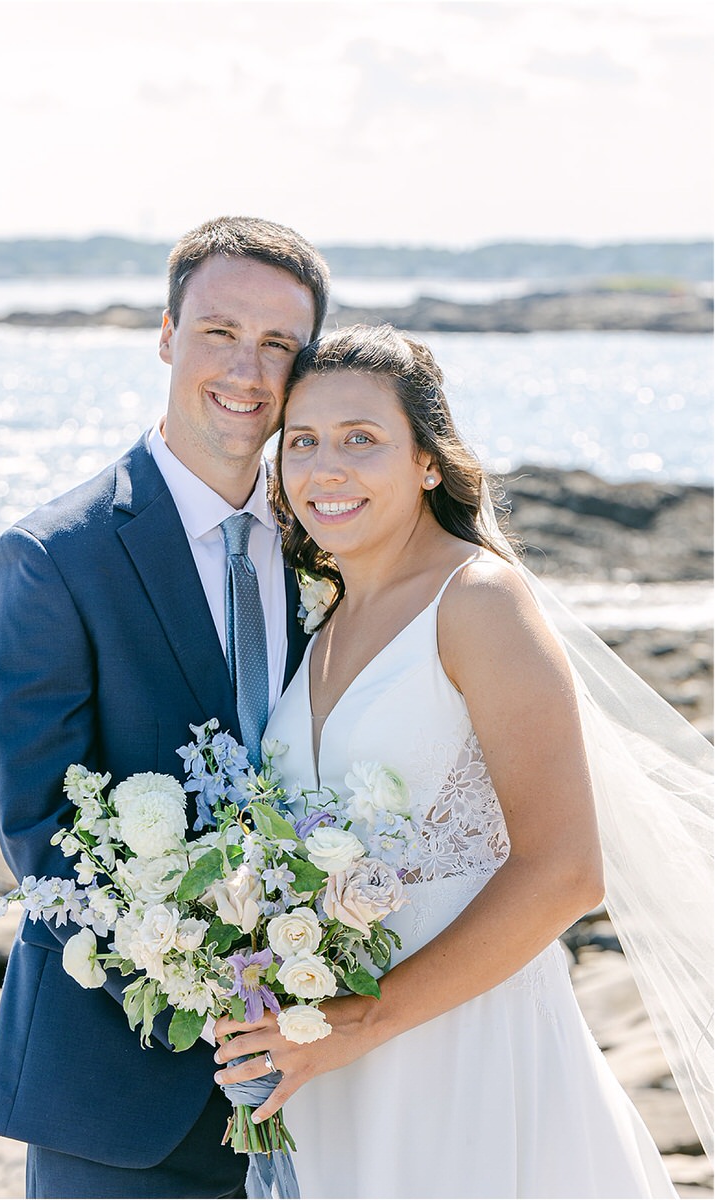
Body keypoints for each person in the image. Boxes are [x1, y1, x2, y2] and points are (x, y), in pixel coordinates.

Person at [213, 324, 713, 1198]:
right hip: (331, 1056)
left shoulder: (477, 600)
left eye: (361, 439)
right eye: (302, 442)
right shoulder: (316, 623)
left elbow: (564, 871)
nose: (325, 467)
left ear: (428, 464)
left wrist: (362, 1022)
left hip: (461, 1042)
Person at [0, 216, 330, 1199]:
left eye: (279, 346)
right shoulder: (54, 558)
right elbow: (43, 834)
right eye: (220, 332)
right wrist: (214, 982)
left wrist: (317, 981)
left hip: (330, 1071)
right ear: (167, 335)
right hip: (122, 1090)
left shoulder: (335, 551)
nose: (248, 370)